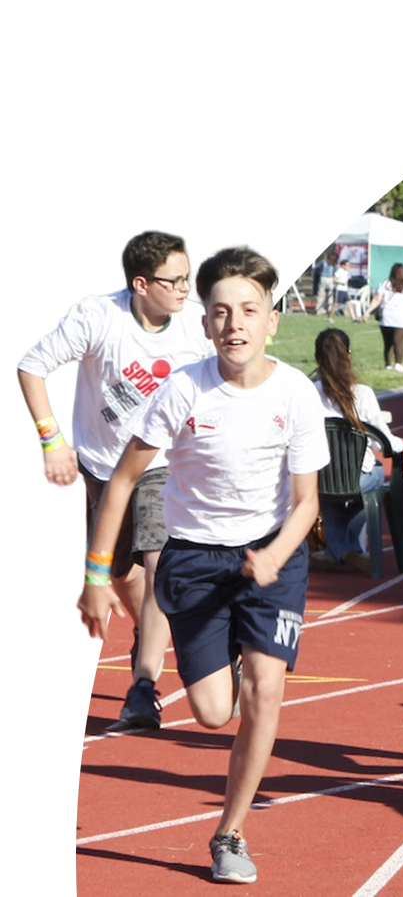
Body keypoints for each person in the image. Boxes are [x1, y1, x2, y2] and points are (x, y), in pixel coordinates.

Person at [82, 244, 329, 884]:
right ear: (204, 320)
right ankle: (234, 653)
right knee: (215, 712)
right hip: (193, 559)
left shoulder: (296, 394)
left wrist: (274, 555)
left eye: (249, 310)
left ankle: (230, 833)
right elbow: (121, 480)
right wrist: (95, 575)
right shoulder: (182, 391)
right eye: (220, 312)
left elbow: (306, 504)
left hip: (270, 555)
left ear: (273, 320)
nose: (234, 325)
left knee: (265, 691)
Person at [19, 226, 213, 728]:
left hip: (166, 464)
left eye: (188, 277)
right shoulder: (97, 317)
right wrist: (51, 439)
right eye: (174, 280)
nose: (185, 288)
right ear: (141, 284)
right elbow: (31, 366)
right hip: (104, 465)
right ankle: (151, 641)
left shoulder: (195, 322)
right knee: (127, 573)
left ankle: (143, 687)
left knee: (159, 563)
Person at [308, 328, 403, 573]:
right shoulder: (362, 394)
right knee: (372, 482)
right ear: (349, 356)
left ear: (316, 358)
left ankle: (337, 551)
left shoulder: (308, 393)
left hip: (320, 475)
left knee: (327, 493)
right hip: (359, 477)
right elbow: (382, 443)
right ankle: (348, 551)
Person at [364, 262, 403, 372]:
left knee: (388, 342)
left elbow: (377, 299)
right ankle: (398, 364)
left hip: (387, 316)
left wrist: (368, 311)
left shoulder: (385, 284)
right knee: (399, 341)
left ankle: (387, 364)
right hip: (402, 317)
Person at [312, 254, 338, 320]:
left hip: (329, 279)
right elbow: (316, 268)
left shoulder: (332, 264)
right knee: (322, 295)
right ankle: (320, 310)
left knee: (329, 296)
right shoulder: (323, 262)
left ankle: (328, 309)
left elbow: (336, 271)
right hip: (324, 278)